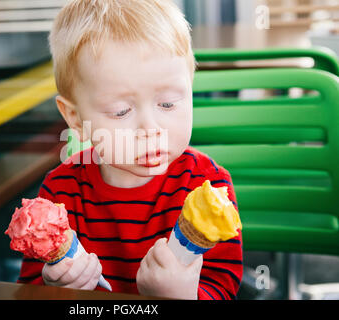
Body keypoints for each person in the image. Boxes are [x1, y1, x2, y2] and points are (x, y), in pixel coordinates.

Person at [16, 0, 242, 300]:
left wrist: (183, 294)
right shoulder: (60, 191)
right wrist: (56, 288)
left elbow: (224, 285)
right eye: (121, 111)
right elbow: (27, 291)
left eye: (167, 104)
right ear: (75, 118)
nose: (150, 128)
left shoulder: (208, 185)